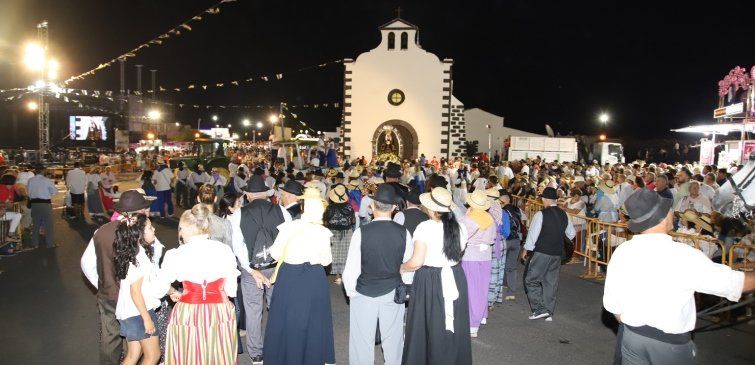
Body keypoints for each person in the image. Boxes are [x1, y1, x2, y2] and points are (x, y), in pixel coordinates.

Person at [604, 188, 754, 364]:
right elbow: (734, 283)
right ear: (664, 215)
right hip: (669, 345)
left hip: (631, 338)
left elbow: (613, 306)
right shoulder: (684, 255)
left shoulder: (622, 251)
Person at [153, 205, 240, 364]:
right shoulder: (224, 250)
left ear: (187, 228)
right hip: (219, 311)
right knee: (218, 355)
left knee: (189, 355)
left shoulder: (176, 254)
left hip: (189, 312)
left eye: (180, 229)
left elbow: (159, 289)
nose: (179, 233)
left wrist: (172, 290)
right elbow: (231, 289)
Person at [80, 190, 158, 365]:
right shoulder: (142, 232)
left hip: (109, 294)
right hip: (136, 298)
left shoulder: (101, 231)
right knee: (137, 342)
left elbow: (86, 263)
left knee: (111, 337)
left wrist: (101, 284)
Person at [263, 188, 336, 364]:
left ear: (303, 207)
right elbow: (326, 261)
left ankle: (285, 357)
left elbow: (275, 253)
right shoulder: (322, 232)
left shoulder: (289, 227)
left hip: (289, 275)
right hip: (314, 277)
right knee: (314, 319)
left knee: (287, 317)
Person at [400, 187, 472, 364]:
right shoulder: (461, 227)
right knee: (452, 325)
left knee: (428, 325)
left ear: (431, 208)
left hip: (430, 279)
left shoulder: (425, 227)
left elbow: (416, 261)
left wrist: (401, 268)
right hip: (455, 276)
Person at [343, 183, 413, 365]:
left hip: (364, 290)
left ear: (372, 207)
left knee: (361, 341)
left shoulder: (361, 233)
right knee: (393, 339)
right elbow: (408, 267)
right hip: (392, 289)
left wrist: (352, 292)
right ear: (394, 208)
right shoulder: (404, 233)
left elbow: (351, 268)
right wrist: (403, 286)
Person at [229, 175, 291, 364]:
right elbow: (288, 241)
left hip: (251, 271)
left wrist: (249, 269)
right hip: (276, 268)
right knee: (278, 308)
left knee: (254, 310)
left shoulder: (238, 215)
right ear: (266, 193)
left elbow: (237, 246)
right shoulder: (282, 211)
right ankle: (278, 346)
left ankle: (256, 354)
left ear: (247, 194)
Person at [521, 187, 576, 321]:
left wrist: (525, 250)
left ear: (545, 199)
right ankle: (549, 312)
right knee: (550, 282)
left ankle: (539, 309)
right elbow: (571, 234)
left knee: (531, 280)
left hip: (541, 252)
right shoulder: (565, 214)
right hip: (557, 253)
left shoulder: (541, 214)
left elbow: (532, 235)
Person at [112, 213, 161, 365]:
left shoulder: (134, 253)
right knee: (153, 355)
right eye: (149, 227)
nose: (154, 230)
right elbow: (135, 291)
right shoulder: (139, 258)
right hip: (138, 312)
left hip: (128, 311)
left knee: (134, 354)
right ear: (139, 233)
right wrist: (147, 319)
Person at [460, 189, 497, 336]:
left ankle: (472, 323)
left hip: (470, 256)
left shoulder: (466, 219)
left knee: (470, 289)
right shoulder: (489, 218)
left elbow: (459, 236)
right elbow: (493, 238)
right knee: (482, 287)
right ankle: (481, 316)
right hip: (486, 256)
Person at [324, 183, 356, 285]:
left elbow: (325, 221)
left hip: (332, 232)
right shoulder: (349, 207)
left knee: (334, 253)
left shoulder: (329, 208)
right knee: (345, 253)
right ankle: (342, 275)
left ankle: (336, 275)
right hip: (347, 232)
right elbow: (353, 221)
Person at [499, 190, 524, 302]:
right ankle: (511, 292)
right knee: (512, 266)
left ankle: (502, 285)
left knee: (501, 263)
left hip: (505, 240)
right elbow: (524, 219)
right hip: (516, 240)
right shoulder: (517, 209)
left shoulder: (501, 211)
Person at [27, 164, 58, 248]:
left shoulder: (30, 180)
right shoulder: (47, 180)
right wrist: (48, 194)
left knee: (35, 223)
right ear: (43, 171)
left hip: (34, 204)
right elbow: (55, 191)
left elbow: (29, 193)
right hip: (45, 203)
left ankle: (35, 243)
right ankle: (50, 243)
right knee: (48, 224)